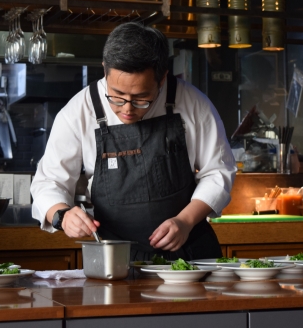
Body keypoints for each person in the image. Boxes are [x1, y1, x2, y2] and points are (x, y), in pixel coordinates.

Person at [31, 22, 236, 261]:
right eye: (116, 96)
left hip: (190, 253)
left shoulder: (193, 103)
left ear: (162, 79)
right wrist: (62, 216)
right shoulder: (78, 112)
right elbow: (48, 182)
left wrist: (185, 220)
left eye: (141, 99)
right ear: (105, 70)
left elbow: (219, 172)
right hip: (115, 259)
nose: (127, 109)